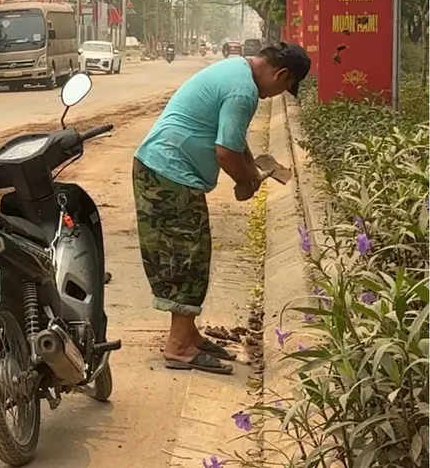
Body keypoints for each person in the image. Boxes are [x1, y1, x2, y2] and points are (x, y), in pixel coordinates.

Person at [132, 43, 310, 375]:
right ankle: (179, 346)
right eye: (284, 88)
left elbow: (235, 140)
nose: (277, 95)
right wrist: (246, 182)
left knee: (189, 253)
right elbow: (226, 151)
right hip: (168, 175)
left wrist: (250, 172)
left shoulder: (237, 71)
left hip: (163, 170)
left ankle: (189, 334)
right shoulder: (244, 92)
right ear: (281, 74)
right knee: (188, 257)